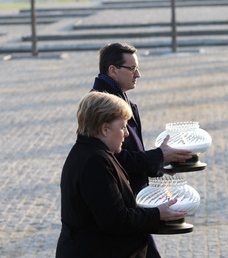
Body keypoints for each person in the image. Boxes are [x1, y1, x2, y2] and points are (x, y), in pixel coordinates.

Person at [90, 42, 192, 258]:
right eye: (132, 68)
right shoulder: (103, 107)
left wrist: (162, 164)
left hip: (133, 207)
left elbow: (131, 156)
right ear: (113, 70)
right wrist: (158, 156)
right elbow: (114, 160)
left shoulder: (122, 101)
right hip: (124, 209)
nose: (138, 74)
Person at [56, 92, 186, 258]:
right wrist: (157, 213)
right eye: (123, 126)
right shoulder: (95, 161)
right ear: (105, 129)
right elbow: (115, 220)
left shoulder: (92, 152)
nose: (127, 134)